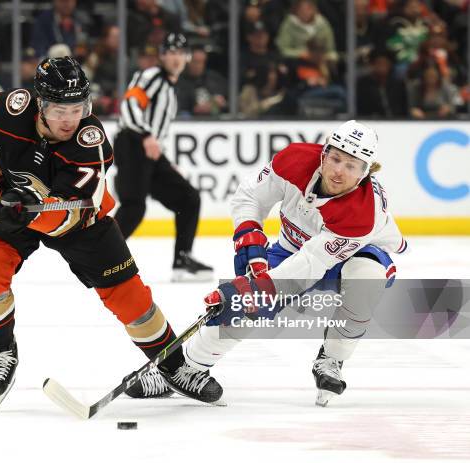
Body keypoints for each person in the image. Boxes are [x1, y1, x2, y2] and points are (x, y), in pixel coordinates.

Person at [0, 56, 222, 411]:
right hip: (10, 204)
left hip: (78, 218)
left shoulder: (91, 141)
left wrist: (25, 211)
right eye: (58, 109)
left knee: (130, 299)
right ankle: (2, 351)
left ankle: (175, 365)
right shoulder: (7, 110)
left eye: (77, 108)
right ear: (38, 104)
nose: (69, 119)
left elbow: (67, 218)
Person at [171, 120, 407, 406]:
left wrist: (256, 290)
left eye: (352, 165)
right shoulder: (294, 160)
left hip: (356, 254)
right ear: (323, 153)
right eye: (335, 158)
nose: (338, 171)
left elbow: (311, 265)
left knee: (366, 279)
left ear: (364, 173)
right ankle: (187, 368)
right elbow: (250, 196)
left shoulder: (363, 212)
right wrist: (250, 235)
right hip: (292, 249)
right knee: (246, 305)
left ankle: (332, 358)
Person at [114, 33, 214, 282]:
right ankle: (100, 256)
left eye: (180, 52)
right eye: (171, 52)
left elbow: (155, 133)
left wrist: (166, 164)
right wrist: (146, 135)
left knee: (188, 198)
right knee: (134, 207)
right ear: (162, 55)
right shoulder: (151, 76)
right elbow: (129, 106)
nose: (176, 57)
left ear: (187, 57)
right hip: (133, 143)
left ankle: (182, 259)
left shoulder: (169, 87)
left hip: (148, 149)